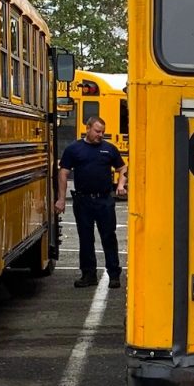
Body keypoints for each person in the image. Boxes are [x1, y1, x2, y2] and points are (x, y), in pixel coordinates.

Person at [56, 116, 127, 288]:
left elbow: (122, 167)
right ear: (87, 128)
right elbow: (63, 173)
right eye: (97, 131)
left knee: (109, 237)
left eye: (102, 132)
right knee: (85, 238)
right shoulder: (74, 149)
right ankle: (88, 275)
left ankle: (114, 274)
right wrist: (60, 199)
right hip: (83, 200)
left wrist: (121, 184)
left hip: (104, 200)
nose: (100, 135)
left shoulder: (109, 149)